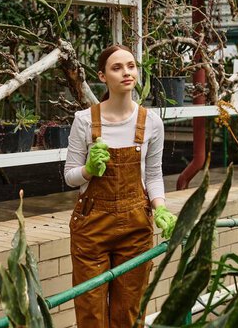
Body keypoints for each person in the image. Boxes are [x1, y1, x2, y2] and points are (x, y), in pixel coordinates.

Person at [64, 44, 177, 327]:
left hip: (136, 227)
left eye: (131, 66)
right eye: (117, 68)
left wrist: (160, 209)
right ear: (102, 76)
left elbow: (153, 174)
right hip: (91, 227)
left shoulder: (151, 122)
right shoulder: (84, 120)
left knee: (129, 312)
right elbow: (69, 176)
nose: (127, 72)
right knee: (91, 314)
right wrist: (89, 170)